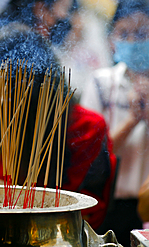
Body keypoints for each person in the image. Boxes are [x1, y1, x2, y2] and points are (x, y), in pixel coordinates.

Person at [0, 24, 117, 230]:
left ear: (43, 88)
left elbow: (88, 214)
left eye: (10, 90)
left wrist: (14, 198)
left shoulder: (84, 128)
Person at [80, 0, 149, 245]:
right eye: (123, 33)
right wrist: (133, 120)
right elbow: (91, 155)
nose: (132, 41)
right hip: (106, 206)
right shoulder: (101, 83)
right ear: (112, 39)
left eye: (142, 33)